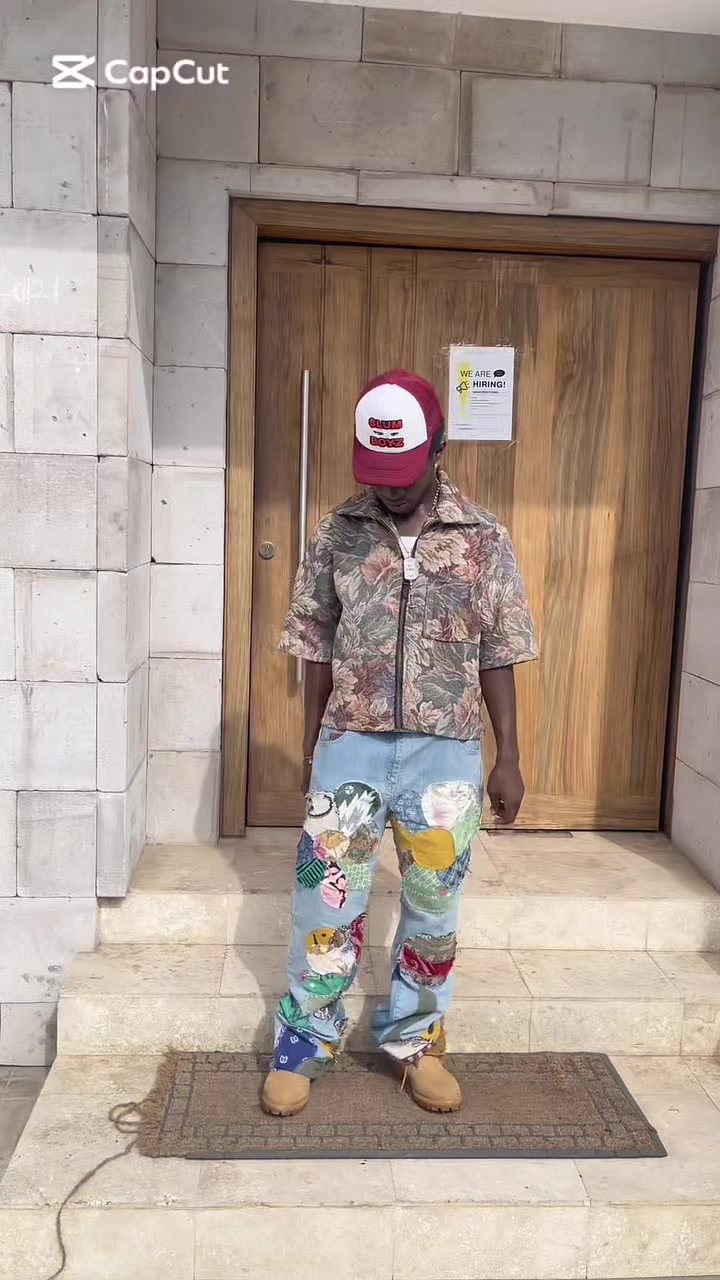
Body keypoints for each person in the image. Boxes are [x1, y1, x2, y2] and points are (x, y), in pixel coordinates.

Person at [262, 370, 537, 1118]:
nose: (388, 488)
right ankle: (305, 1040)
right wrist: (315, 742)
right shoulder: (337, 532)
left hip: (444, 752)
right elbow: (315, 642)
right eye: (376, 473)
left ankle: (417, 1041)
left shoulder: (483, 539)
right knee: (325, 900)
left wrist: (508, 756)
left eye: (403, 472)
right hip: (351, 741)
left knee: (433, 906)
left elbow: (500, 650)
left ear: (437, 448)